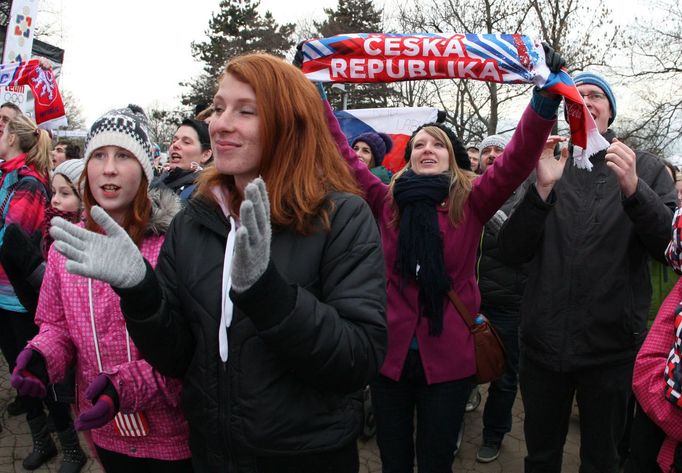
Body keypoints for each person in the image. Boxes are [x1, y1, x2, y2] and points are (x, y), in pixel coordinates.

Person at [47, 54, 387, 473]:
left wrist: (269, 294)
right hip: (211, 455)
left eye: (246, 111)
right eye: (219, 107)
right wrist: (141, 292)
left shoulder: (342, 217)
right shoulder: (195, 220)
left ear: (289, 124)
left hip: (305, 458)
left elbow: (357, 361)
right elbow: (176, 359)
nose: (220, 123)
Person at [325, 45, 566, 473]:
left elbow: (515, 159)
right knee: (394, 460)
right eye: (419, 144)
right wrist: (315, 95)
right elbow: (342, 155)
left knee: (436, 460)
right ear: (409, 157)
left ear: (451, 158)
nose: (428, 149)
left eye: (437, 143)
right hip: (390, 358)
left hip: (449, 360)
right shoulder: (385, 202)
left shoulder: (471, 201)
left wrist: (544, 99)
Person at [497, 71, 677, 472]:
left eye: (594, 95)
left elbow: (670, 248)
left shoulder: (643, 167)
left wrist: (634, 190)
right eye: (574, 98)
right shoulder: (547, 161)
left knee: (602, 460)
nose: (584, 102)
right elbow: (510, 250)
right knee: (540, 457)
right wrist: (541, 191)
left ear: (611, 110)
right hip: (543, 346)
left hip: (610, 350)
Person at [11, 105, 192, 472]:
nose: (109, 168)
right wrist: (42, 358)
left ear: (144, 171)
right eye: (99, 156)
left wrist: (120, 388)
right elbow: (56, 324)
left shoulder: (172, 245)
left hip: (172, 437)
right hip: (103, 428)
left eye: (123, 155)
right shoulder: (69, 247)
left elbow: (187, 351)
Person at [0, 158, 88, 473]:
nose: (54, 200)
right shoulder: (48, 232)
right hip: (16, 306)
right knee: (23, 373)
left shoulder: (82, 237)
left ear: (85, 199)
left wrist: (33, 271)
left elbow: (66, 295)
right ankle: (42, 440)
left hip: (53, 329)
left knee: (54, 386)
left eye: (66, 194)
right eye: (55, 192)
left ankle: (73, 450)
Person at [472, 132, 538, 463]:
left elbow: (520, 242)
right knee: (458, 367)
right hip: (466, 300)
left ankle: (494, 433)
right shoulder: (465, 192)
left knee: (505, 376)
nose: (493, 155)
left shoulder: (525, 194)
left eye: (500, 149)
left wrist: (487, 208)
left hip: (509, 302)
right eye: (487, 151)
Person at [151, 118, 212, 199]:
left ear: (206, 155)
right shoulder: (158, 182)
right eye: (174, 141)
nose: (175, 145)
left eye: (186, 142)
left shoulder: (204, 195)